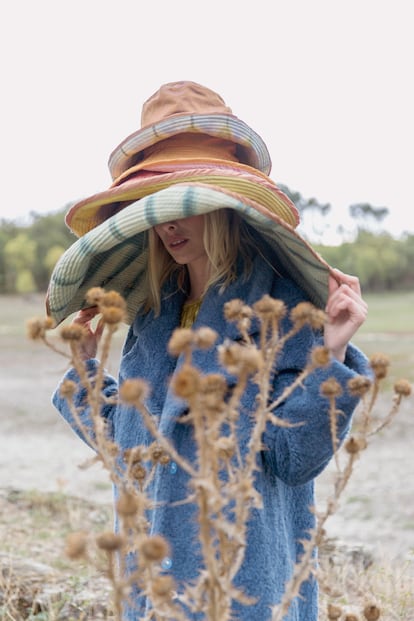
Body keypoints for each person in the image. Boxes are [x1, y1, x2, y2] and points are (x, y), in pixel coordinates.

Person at [48, 81, 369, 620]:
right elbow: (130, 453)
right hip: (153, 585)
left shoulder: (281, 306)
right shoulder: (153, 315)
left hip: (245, 582)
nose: (169, 223)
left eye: (184, 203)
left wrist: (330, 354)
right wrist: (84, 372)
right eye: (156, 207)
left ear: (223, 208)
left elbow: (293, 460)